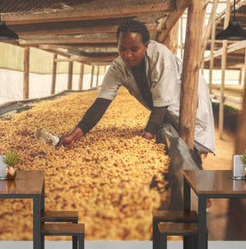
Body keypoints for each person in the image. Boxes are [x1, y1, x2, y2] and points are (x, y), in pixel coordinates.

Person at [59, 19, 216, 164]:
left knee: (189, 149)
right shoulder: (118, 67)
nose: (127, 55)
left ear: (146, 45)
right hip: (165, 109)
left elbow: (161, 102)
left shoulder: (160, 56)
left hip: (188, 105)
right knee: (178, 140)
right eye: (122, 49)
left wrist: (148, 135)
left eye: (134, 49)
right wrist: (74, 135)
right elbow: (101, 103)